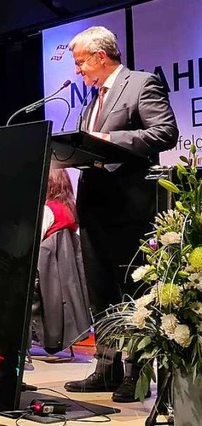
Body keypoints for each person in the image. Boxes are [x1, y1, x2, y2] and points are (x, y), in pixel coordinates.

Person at [63, 26, 178, 403]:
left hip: (130, 207)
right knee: (102, 292)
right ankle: (106, 367)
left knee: (134, 290)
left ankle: (136, 373)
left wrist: (113, 141)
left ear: (100, 56)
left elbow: (165, 133)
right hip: (95, 207)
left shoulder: (141, 84)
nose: (78, 71)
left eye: (80, 63)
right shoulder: (89, 102)